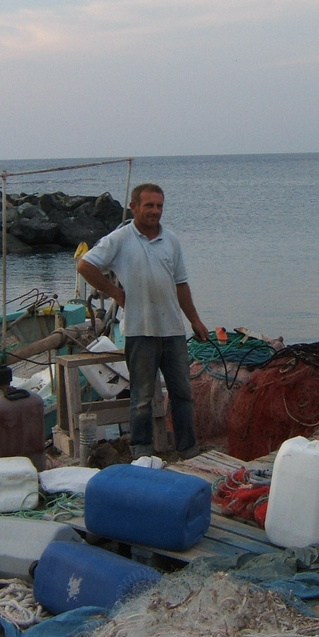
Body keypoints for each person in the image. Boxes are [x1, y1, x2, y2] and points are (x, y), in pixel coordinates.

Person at [76, 183, 209, 459]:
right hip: (139, 330)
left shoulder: (171, 240)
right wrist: (115, 292)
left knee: (182, 393)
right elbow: (85, 266)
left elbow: (181, 284)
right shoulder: (120, 239)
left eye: (159, 206)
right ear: (134, 207)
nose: (155, 211)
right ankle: (142, 452)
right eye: (149, 205)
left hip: (172, 330)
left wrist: (195, 320)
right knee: (141, 398)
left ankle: (188, 449)